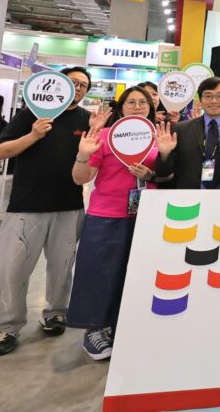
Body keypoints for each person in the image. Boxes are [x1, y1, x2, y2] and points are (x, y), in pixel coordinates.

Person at [0, 66, 108, 357]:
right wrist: (33, 135)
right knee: (13, 269)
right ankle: (7, 327)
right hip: (26, 207)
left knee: (62, 267)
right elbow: (1, 151)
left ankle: (56, 313)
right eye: (73, 82)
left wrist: (96, 131)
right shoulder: (31, 114)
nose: (78, 88)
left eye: (84, 85)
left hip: (69, 205)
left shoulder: (86, 119)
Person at [67, 86, 158, 360]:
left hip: (149, 216)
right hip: (107, 215)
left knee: (139, 276)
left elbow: (168, 173)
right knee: (100, 273)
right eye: (131, 102)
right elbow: (80, 178)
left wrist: (152, 173)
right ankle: (95, 328)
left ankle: (126, 326)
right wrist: (83, 154)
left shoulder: (159, 136)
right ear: (121, 107)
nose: (137, 107)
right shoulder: (105, 136)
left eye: (143, 102)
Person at [155, 77, 220, 189]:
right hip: (189, 194)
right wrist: (165, 154)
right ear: (200, 101)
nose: (214, 100)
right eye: (208, 96)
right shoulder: (181, 129)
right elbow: (163, 172)